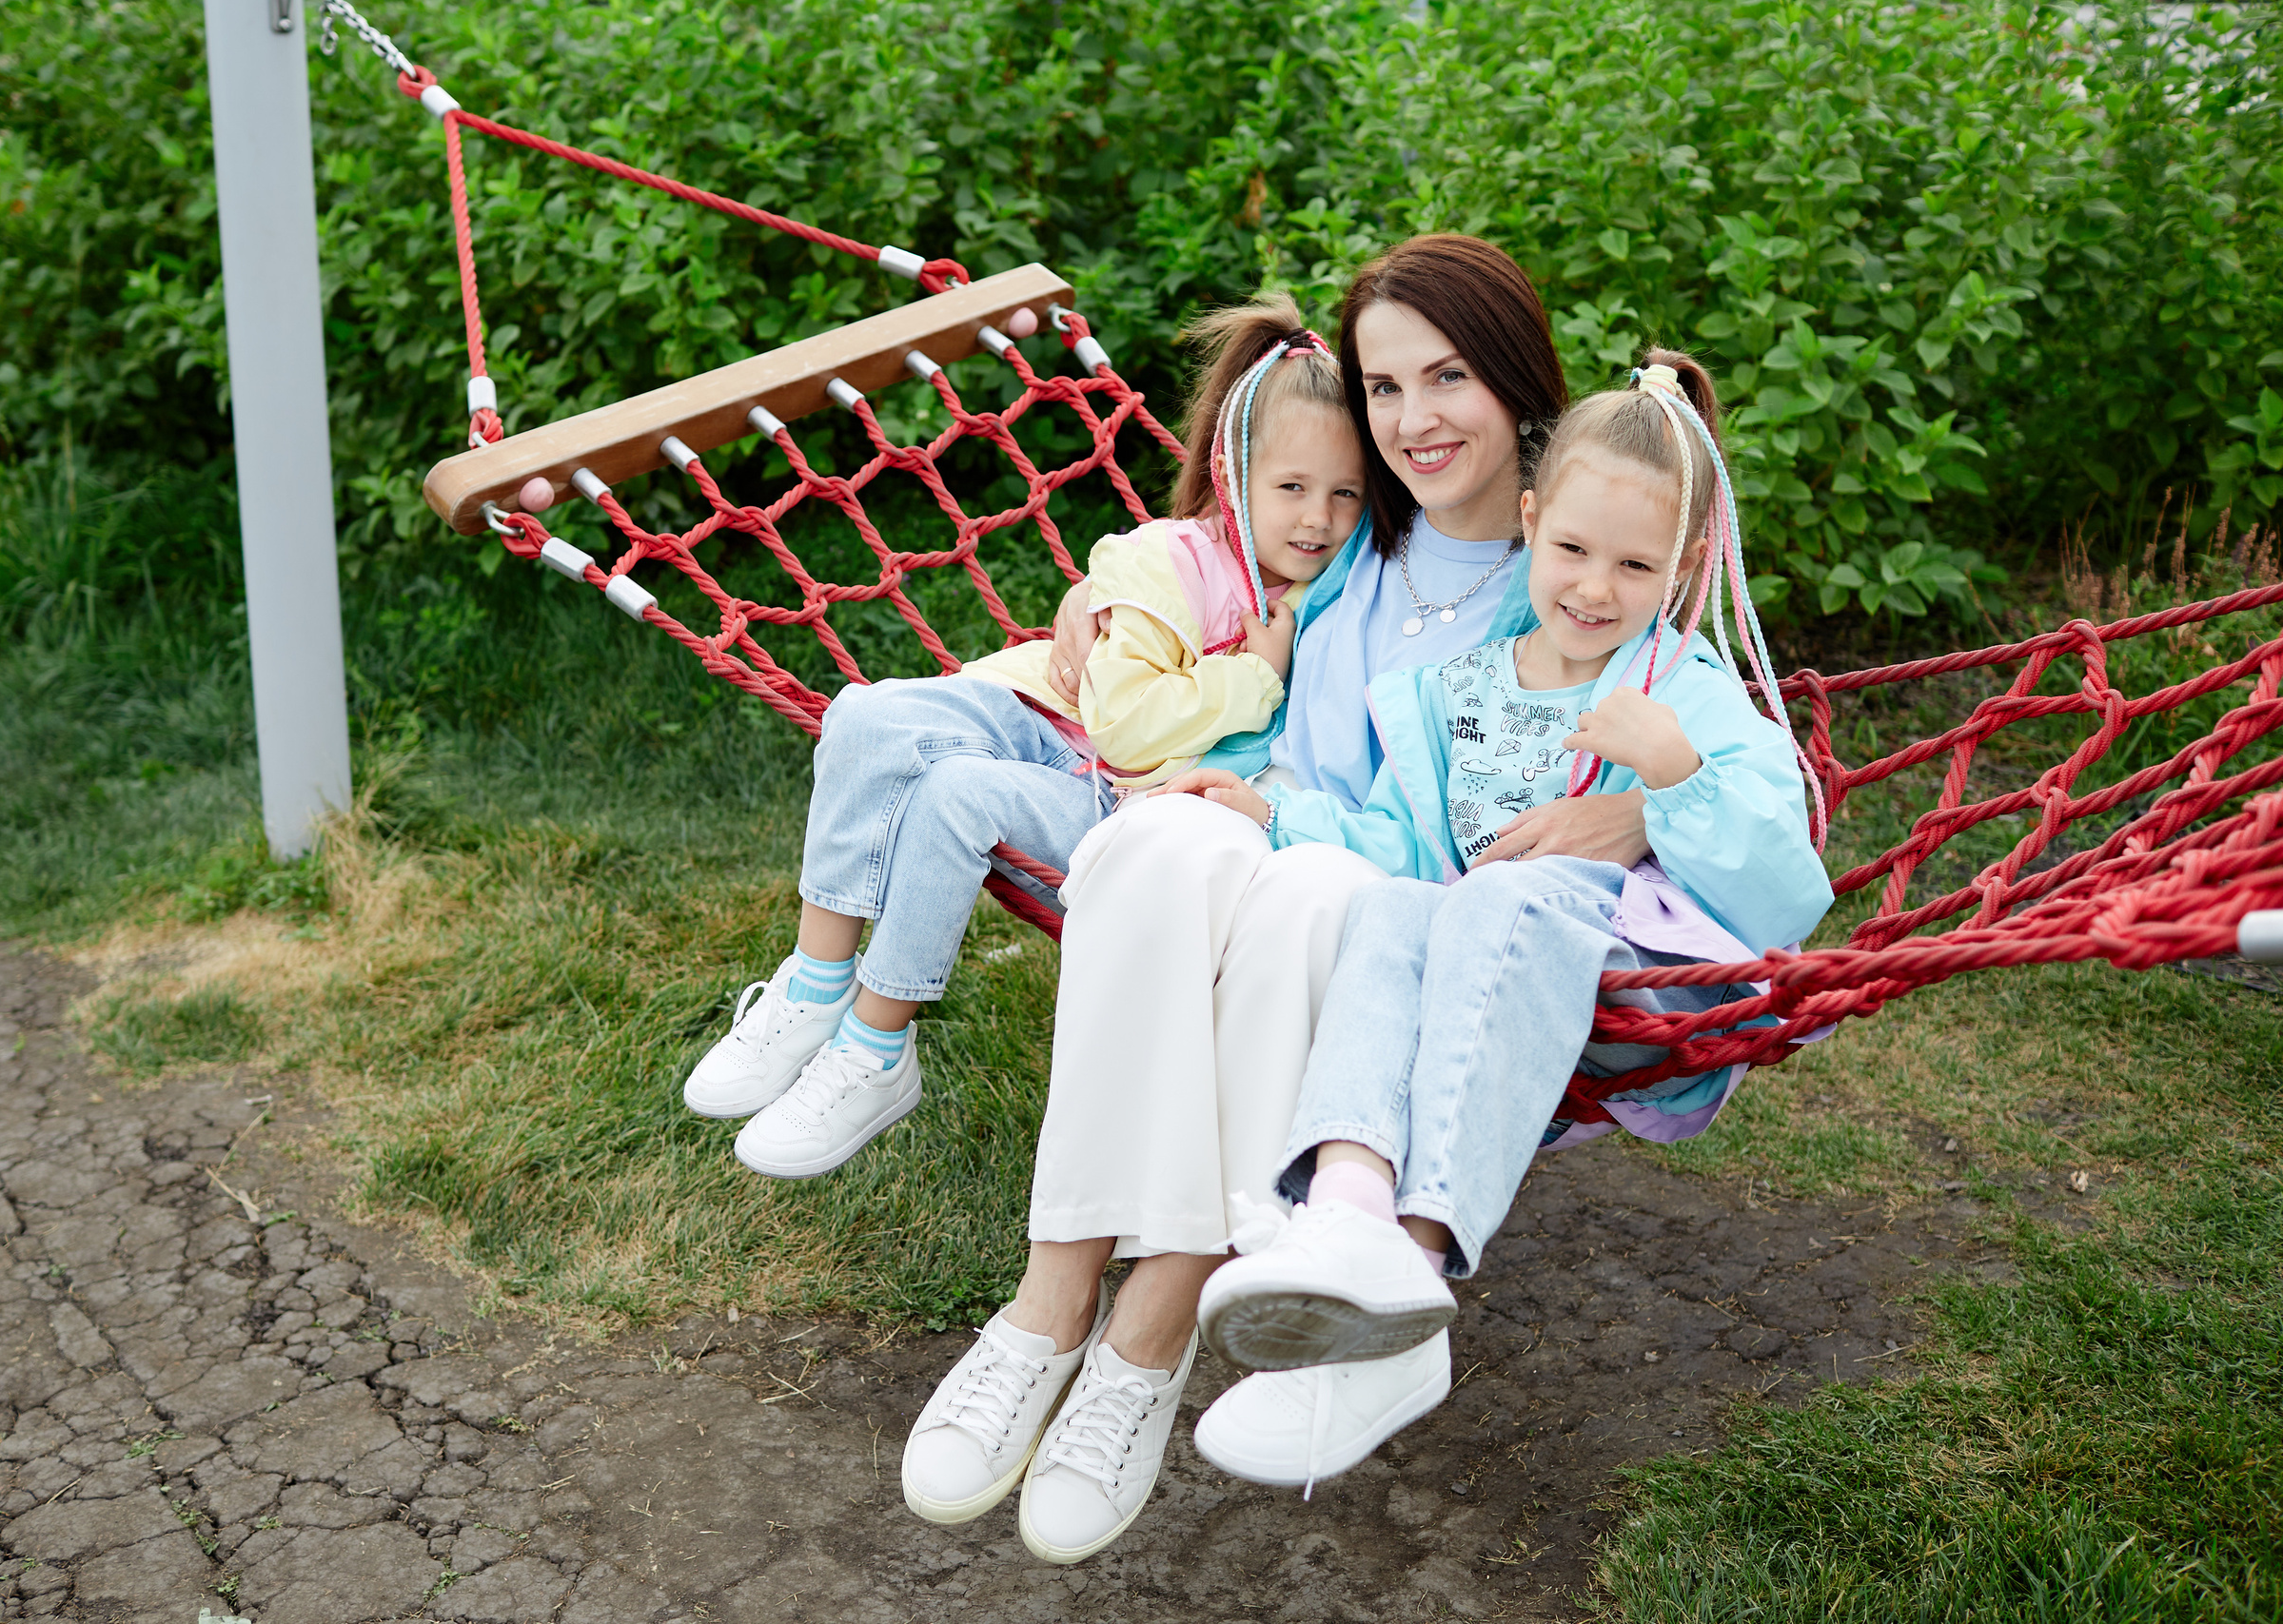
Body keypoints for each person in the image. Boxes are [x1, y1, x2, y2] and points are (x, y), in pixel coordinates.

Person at [898, 235, 1647, 1566]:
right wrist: (1098, 595)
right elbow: (1196, 557)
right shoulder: (1355, 529)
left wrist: (1640, 804)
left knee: (1304, 890)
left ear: (1519, 380)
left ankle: (1155, 1325)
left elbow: (1719, 723)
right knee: (1144, 849)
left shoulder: (1588, 546)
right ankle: (1051, 1292)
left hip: (1398, 889)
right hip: (1262, 819)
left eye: (1449, 377)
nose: (1415, 419)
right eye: (1384, 386)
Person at [1182, 353, 1832, 1492]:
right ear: (1529, 522)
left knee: (1501, 892)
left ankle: (1414, 1263)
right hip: (1495, 981)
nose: (1593, 588)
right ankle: (1345, 1212)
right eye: (1572, 549)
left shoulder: (1685, 685)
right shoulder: (1454, 692)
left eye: (1633, 566)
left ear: (1680, 568)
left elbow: (1787, 893)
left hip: (1641, 988)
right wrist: (1276, 816)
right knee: (1399, 903)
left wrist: (1676, 780)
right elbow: (1399, 845)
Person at [681, 293, 1366, 1180]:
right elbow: (1117, 709)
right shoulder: (1171, 558)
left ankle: (876, 1049)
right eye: (1293, 489)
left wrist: (1259, 671)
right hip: (1043, 709)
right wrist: (1250, 672)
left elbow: (1126, 744)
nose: (1317, 518)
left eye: (1345, 495)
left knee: (952, 797)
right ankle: (815, 985)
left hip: (1121, 802)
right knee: (862, 715)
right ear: (1235, 475)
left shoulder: (1345, 596)